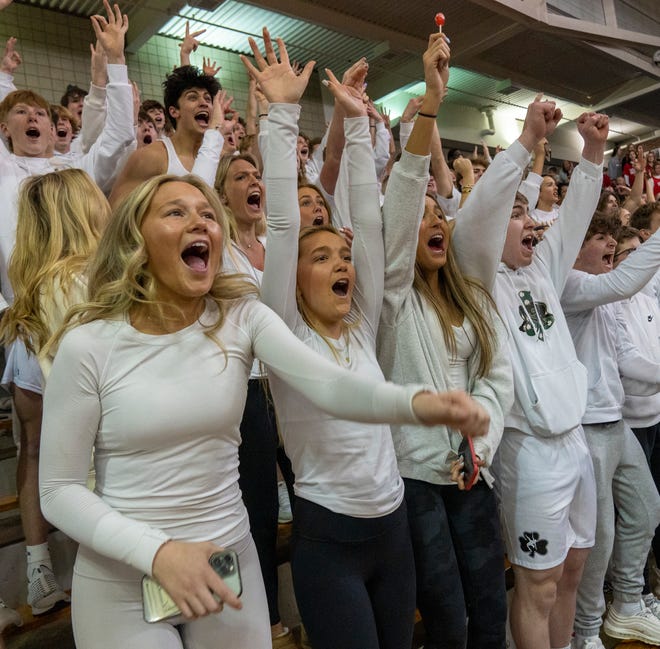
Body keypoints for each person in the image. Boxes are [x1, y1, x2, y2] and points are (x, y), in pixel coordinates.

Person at [39, 173, 489, 649]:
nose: (200, 222)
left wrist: (418, 403)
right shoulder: (89, 345)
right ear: (135, 238)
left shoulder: (241, 319)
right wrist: (160, 553)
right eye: (176, 212)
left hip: (226, 560)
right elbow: (59, 489)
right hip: (124, 577)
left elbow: (331, 387)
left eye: (209, 214)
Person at [245, 27, 488, 649]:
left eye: (342, 257)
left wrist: (357, 127)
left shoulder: (363, 323)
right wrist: (281, 117)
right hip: (329, 539)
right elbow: (279, 219)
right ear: (291, 277)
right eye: (320, 256)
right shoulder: (283, 328)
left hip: (392, 531)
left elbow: (371, 226)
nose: (341, 265)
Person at [452, 105, 609, 649]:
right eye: (518, 215)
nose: (534, 224)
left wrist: (592, 154)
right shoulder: (478, 276)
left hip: (575, 439)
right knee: (537, 584)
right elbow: (476, 219)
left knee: (574, 569)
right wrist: (525, 143)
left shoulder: (540, 268)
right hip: (530, 449)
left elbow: (573, 216)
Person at [377, 64, 513, 649]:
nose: (434, 220)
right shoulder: (393, 299)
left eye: (442, 215)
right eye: (423, 217)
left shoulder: (473, 300)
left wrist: (478, 445)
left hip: (471, 471)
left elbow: (497, 381)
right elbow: (404, 207)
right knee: (448, 621)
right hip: (415, 478)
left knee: (489, 610)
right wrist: (431, 104)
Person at [560, 212, 660, 647]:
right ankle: (586, 632)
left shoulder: (605, 299)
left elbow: (629, 365)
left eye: (609, 238)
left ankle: (627, 604)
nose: (609, 246)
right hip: (585, 427)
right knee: (598, 538)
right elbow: (622, 283)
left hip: (615, 421)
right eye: (598, 237)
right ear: (575, 247)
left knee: (646, 508)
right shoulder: (568, 285)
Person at [109, 65, 233, 205]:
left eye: (208, 99)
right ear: (174, 111)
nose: (203, 103)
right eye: (193, 97)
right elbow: (115, 212)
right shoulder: (151, 157)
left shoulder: (222, 159)